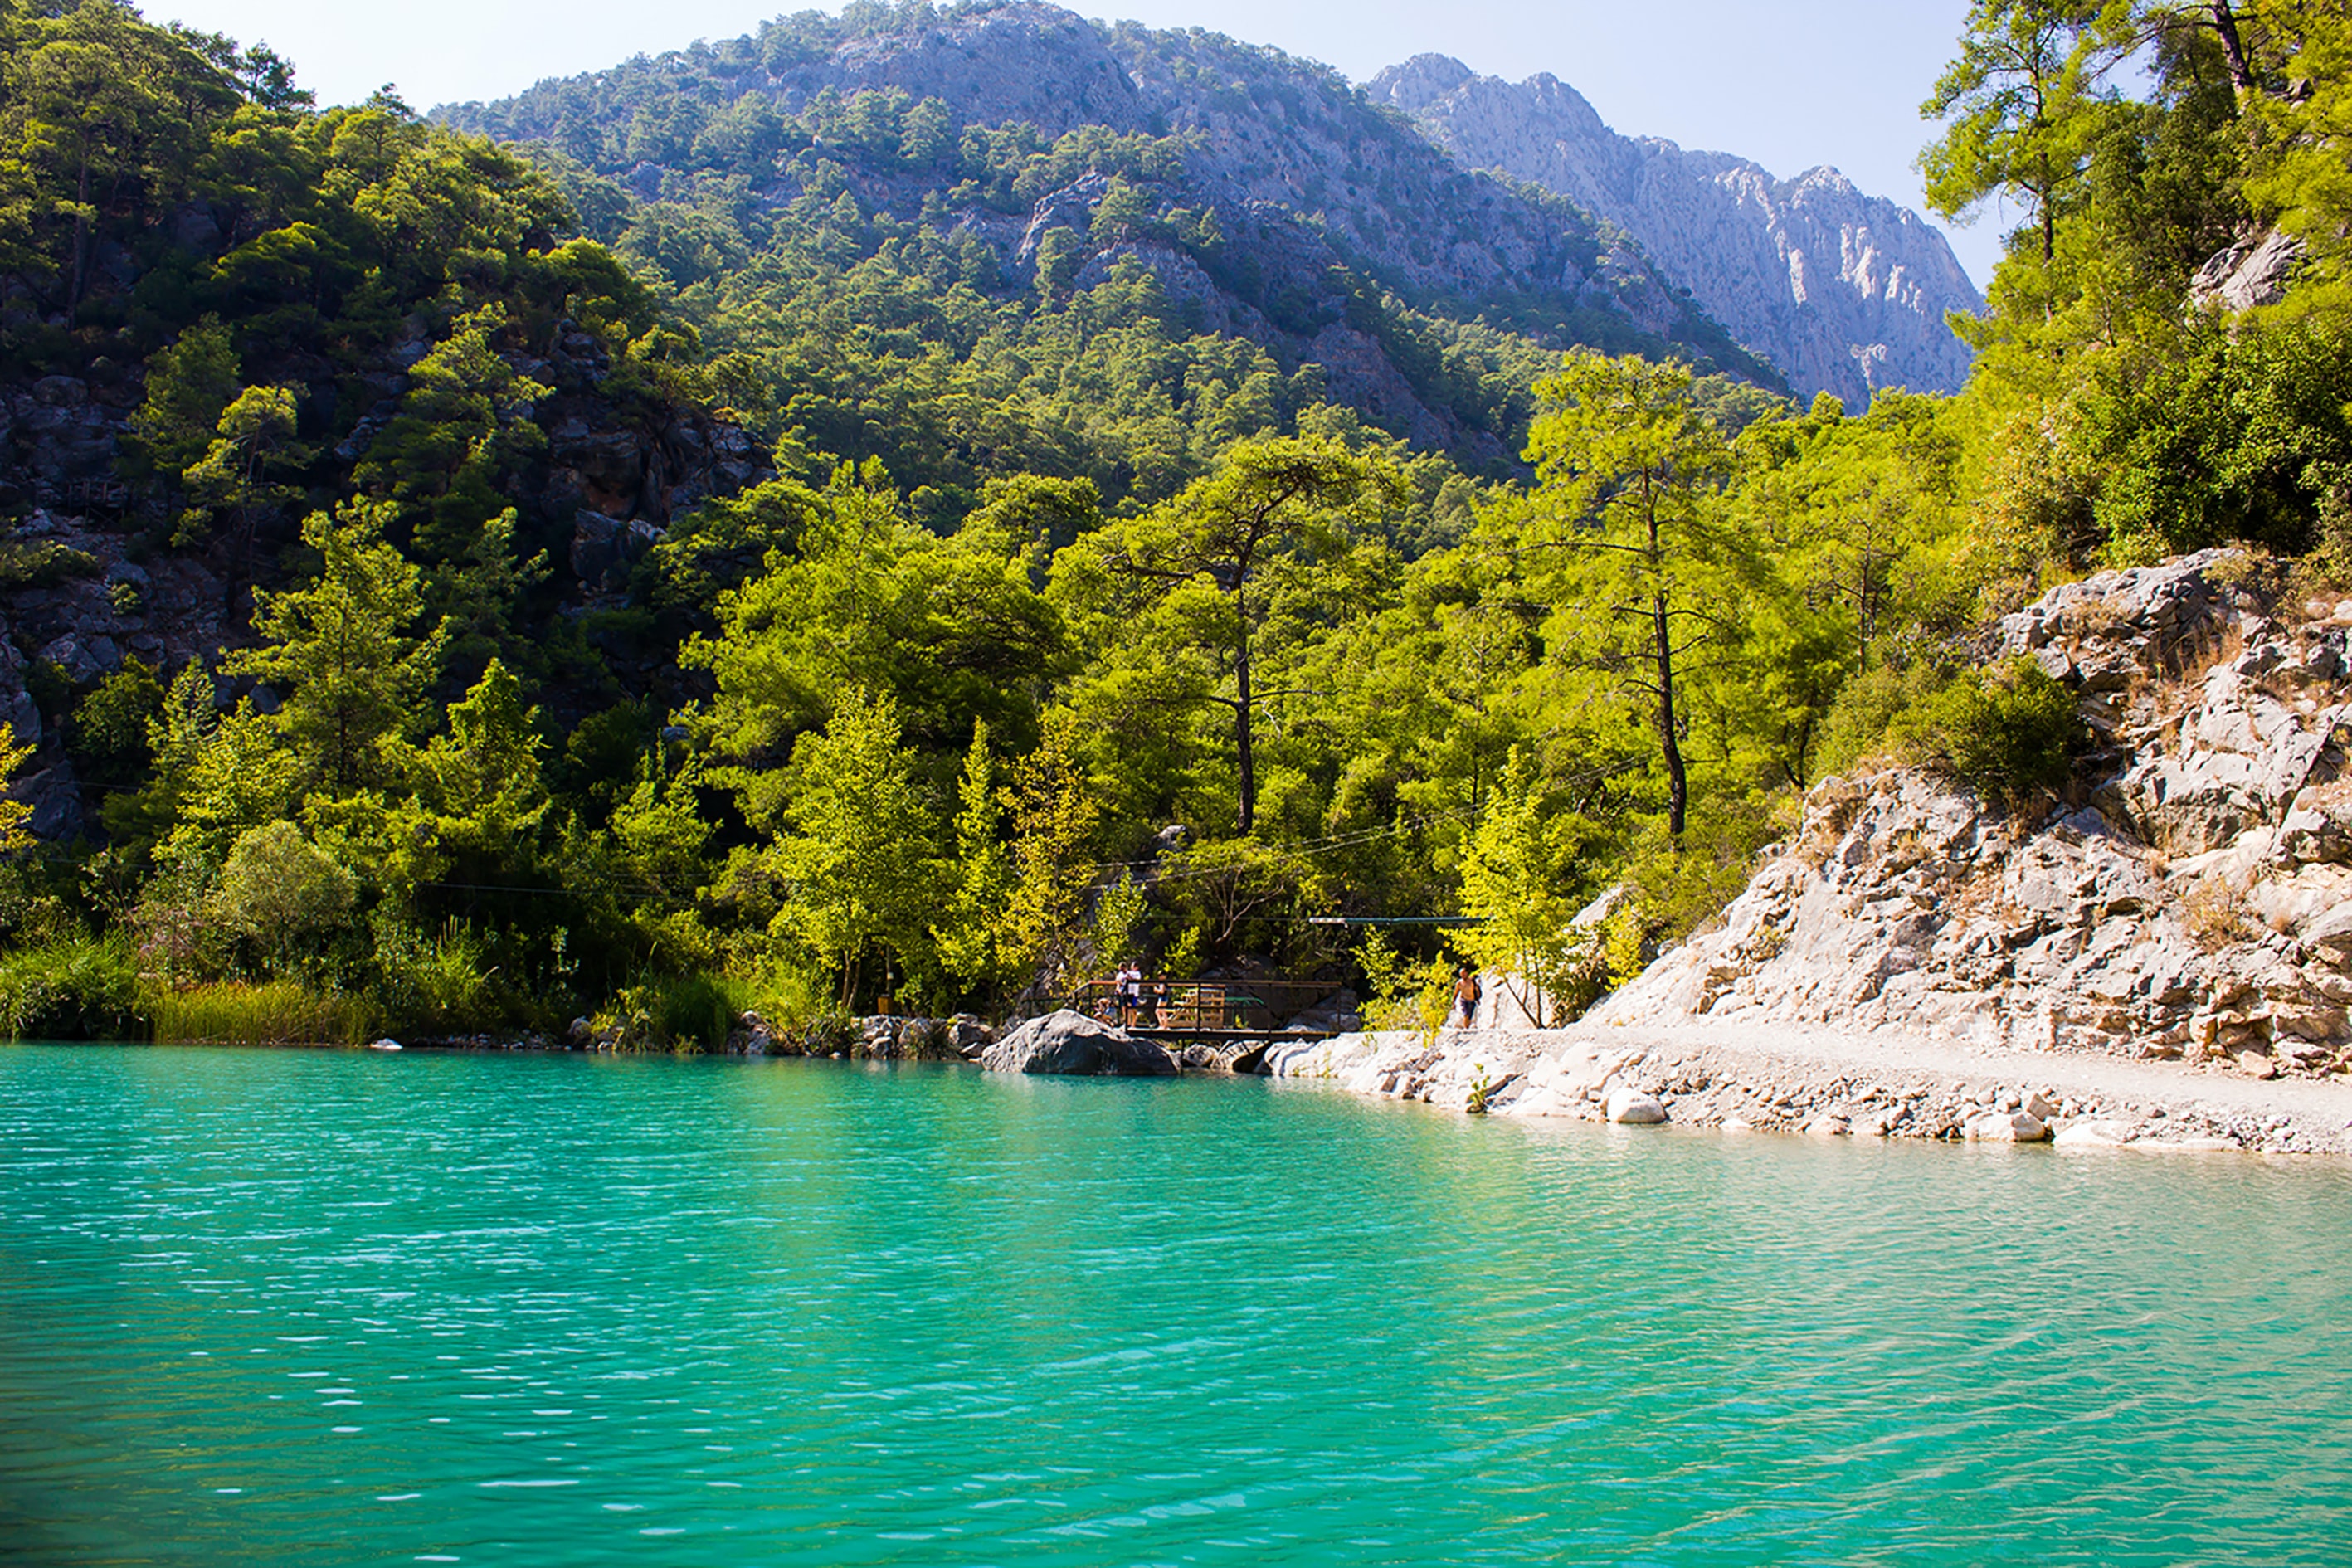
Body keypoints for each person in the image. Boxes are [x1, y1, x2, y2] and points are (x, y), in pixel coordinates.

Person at [1450, 964, 1482, 1029]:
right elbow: (1456, 993)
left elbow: (1476, 990)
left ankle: (1467, 1026)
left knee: (1470, 1015)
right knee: (1466, 1014)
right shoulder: (1459, 983)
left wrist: (1478, 999)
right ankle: (1465, 1028)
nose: (1463, 975)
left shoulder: (1472, 981)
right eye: (1461, 974)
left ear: (1467, 973)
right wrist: (1453, 1002)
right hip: (1464, 1000)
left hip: (1472, 999)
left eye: (1464, 974)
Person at [1115, 960, 1143, 1027]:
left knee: (1132, 1008)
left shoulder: (1136, 973)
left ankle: (1133, 1023)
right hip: (1124, 993)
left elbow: (1134, 980)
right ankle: (1127, 1023)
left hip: (1132, 993)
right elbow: (1118, 982)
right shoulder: (1121, 974)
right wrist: (1118, 989)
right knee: (1124, 1008)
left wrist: (1128, 977)